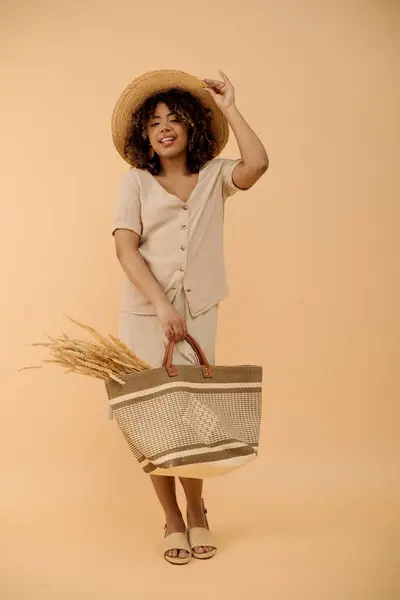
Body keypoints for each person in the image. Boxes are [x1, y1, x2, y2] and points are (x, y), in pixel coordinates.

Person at [110, 69, 269, 565]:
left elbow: (258, 163)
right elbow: (125, 249)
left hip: (198, 312)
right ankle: (172, 519)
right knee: (154, 420)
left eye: (175, 119)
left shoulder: (217, 177)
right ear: (144, 134)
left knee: (195, 416)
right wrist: (161, 306)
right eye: (154, 121)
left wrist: (230, 107)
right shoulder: (135, 182)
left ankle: (198, 512)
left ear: (191, 128)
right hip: (145, 313)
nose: (164, 127)